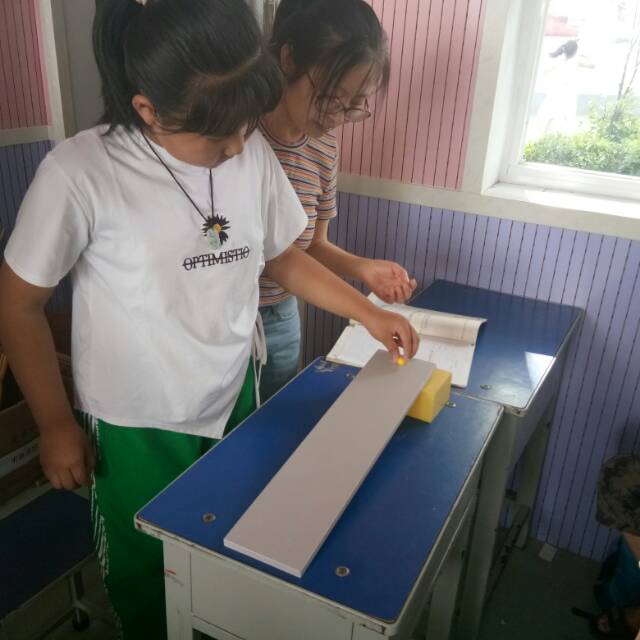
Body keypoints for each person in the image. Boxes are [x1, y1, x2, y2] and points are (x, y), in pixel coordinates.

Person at [0, 1, 418, 638]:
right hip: (137, 420)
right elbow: (18, 303)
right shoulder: (80, 172)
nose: (237, 146)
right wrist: (55, 422)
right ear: (148, 110)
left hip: (233, 395)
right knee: (146, 572)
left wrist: (366, 312)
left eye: (245, 126)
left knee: (230, 548)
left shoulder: (248, 152)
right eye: (218, 135)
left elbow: (281, 255)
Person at [258, 0, 418, 400]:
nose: (337, 116)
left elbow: (309, 245)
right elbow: (276, 257)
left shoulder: (323, 147)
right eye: (331, 97)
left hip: (281, 315)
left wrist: (363, 269)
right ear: (289, 59)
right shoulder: (238, 140)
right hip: (229, 317)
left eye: (355, 104)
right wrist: (367, 312)